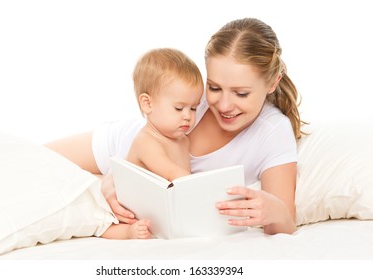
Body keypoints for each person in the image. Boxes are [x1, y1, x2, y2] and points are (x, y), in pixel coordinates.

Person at [46, 18, 305, 235]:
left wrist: (275, 212)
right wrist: (112, 181)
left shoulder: (272, 132)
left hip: (139, 182)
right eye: (214, 87)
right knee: (29, 160)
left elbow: (285, 223)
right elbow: (144, 143)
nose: (224, 104)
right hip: (120, 147)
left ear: (272, 83)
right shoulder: (196, 98)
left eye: (241, 93)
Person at [127, 48, 203, 181]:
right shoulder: (145, 141)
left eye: (193, 108)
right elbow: (172, 173)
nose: (188, 116)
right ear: (148, 104)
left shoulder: (184, 140)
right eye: (179, 108)